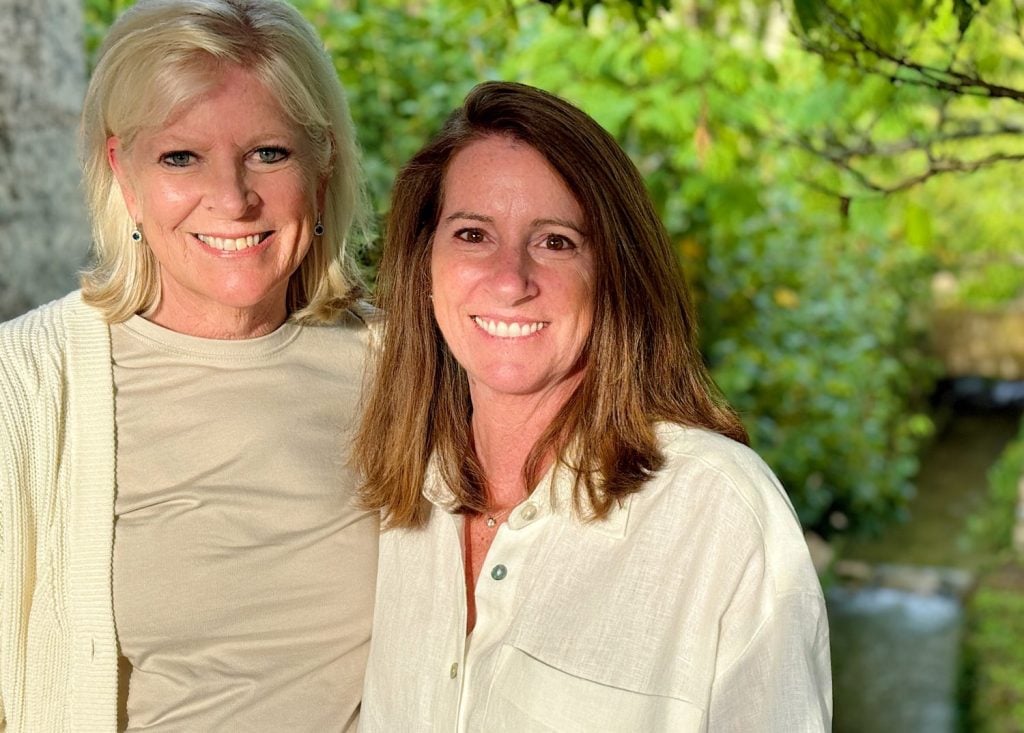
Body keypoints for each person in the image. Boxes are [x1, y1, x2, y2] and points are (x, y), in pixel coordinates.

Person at [355, 81, 831, 731]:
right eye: (472, 233)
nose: (510, 280)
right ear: (424, 262)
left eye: (555, 241)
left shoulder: (719, 512)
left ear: (617, 271)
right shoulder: (402, 494)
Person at [0, 0, 378, 729]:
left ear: (322, 158)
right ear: (124, 171)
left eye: (269, 152)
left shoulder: (406, 368)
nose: (233, 200)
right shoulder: (25, 385)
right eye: (181, 157)